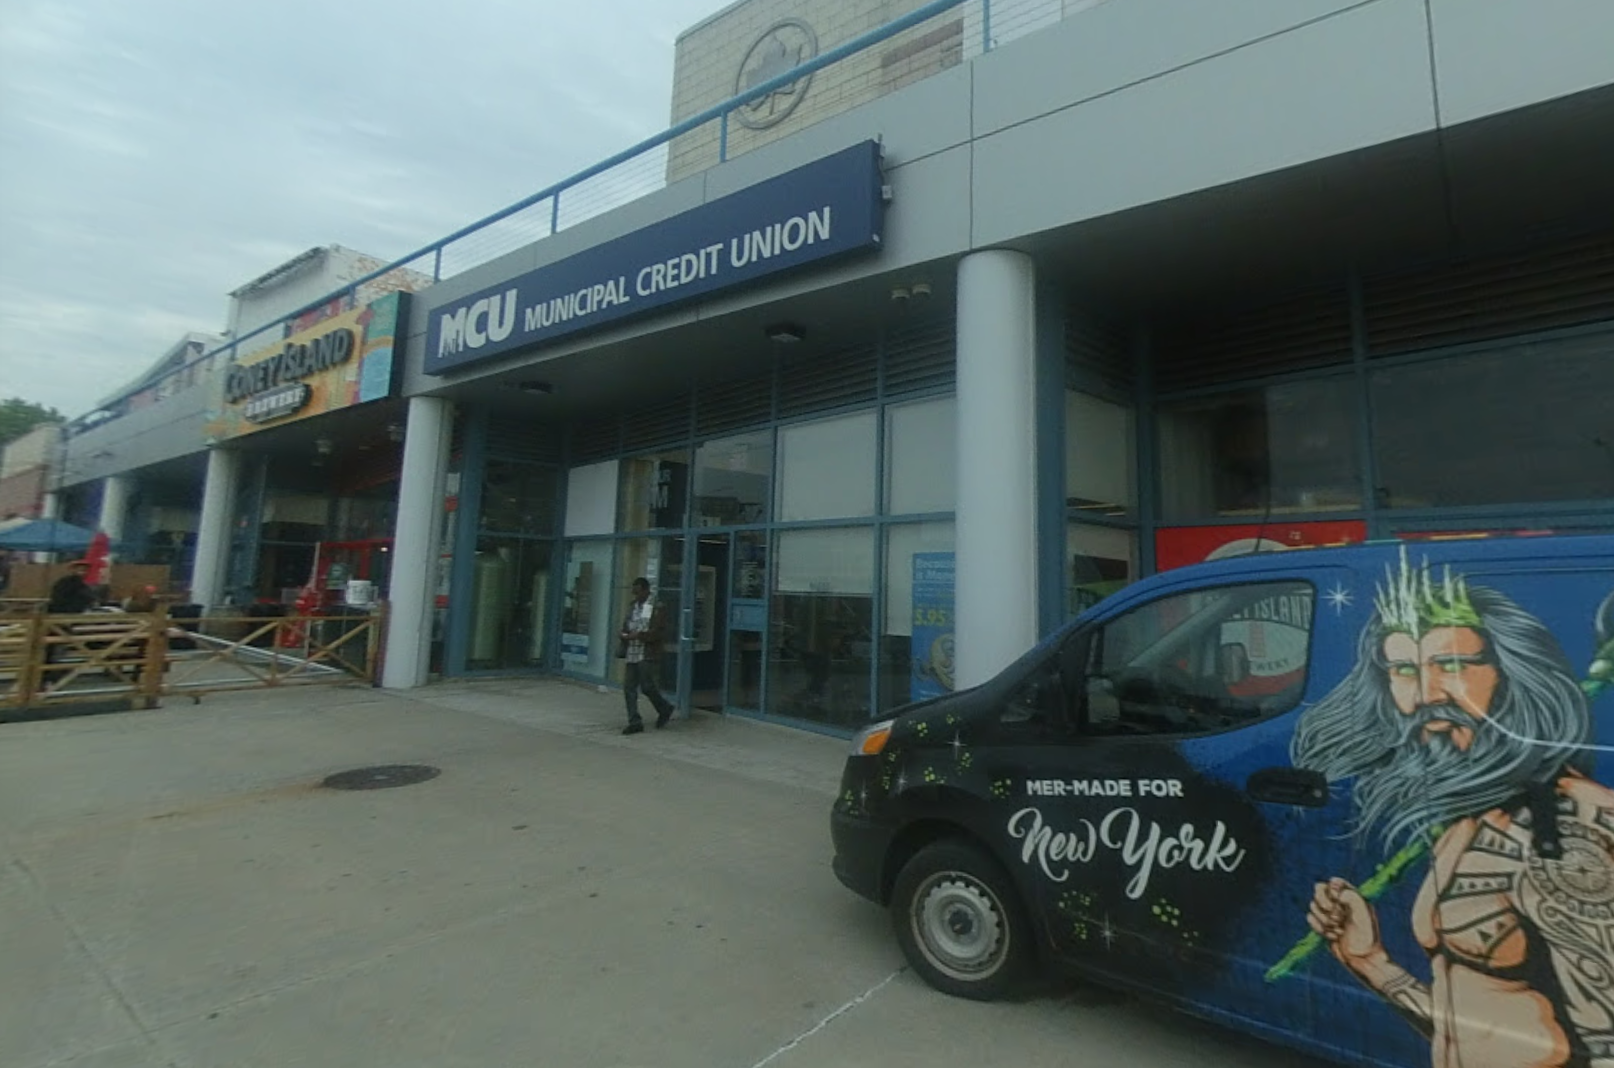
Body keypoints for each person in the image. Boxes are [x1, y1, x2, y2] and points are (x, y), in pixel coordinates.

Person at [1292, 549, 1614, 1067]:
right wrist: (1371, 962)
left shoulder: (1564, 828)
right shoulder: (1467, 823)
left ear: (1509, 673)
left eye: (1453, 665)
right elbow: (1472, 1028)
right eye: (1402, 668)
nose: (1423, 693)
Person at [618, 577, 674, 735]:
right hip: (632, 652)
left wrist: (640, 635)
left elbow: (659, 631)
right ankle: (634, 721)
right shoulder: (633, 607)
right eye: (634, 592)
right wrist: (623, 634)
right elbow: (626, 625)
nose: (636, 596)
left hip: (647, 652)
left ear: (646, 590)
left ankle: (664, 707)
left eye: (638, 592)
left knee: (647, 686)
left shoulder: (656, 607)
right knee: (629, 687)